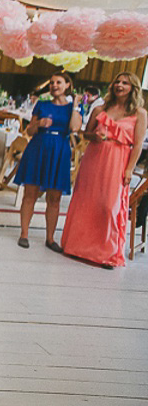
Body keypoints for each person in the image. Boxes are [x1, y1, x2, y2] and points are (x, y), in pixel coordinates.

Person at [62, 72, 147, 269]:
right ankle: (77, 247)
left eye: (125, 83)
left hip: (118, 159)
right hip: (95, 157)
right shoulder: (100, 108)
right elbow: (85, 133)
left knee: (109, 205)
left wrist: (129, 170)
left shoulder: (140, 114)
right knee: (86, 202)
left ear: (133, 88)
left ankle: (106, 253)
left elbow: (138, 144)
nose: (119, 85)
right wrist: (95, 136)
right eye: (117, 81)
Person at [14, 72, 81, 251]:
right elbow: (29, 131)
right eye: (51, 83)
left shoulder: (71, 109)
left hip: (60, 150)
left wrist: (74, 105)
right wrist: (39, 124)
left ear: (67, 85)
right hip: (38, 148)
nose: (54, 85)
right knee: (30, 193)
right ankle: (24, 233)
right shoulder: (42, 104)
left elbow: (75, 127)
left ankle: (50, 238)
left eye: (58, 82)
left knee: (54, 197)